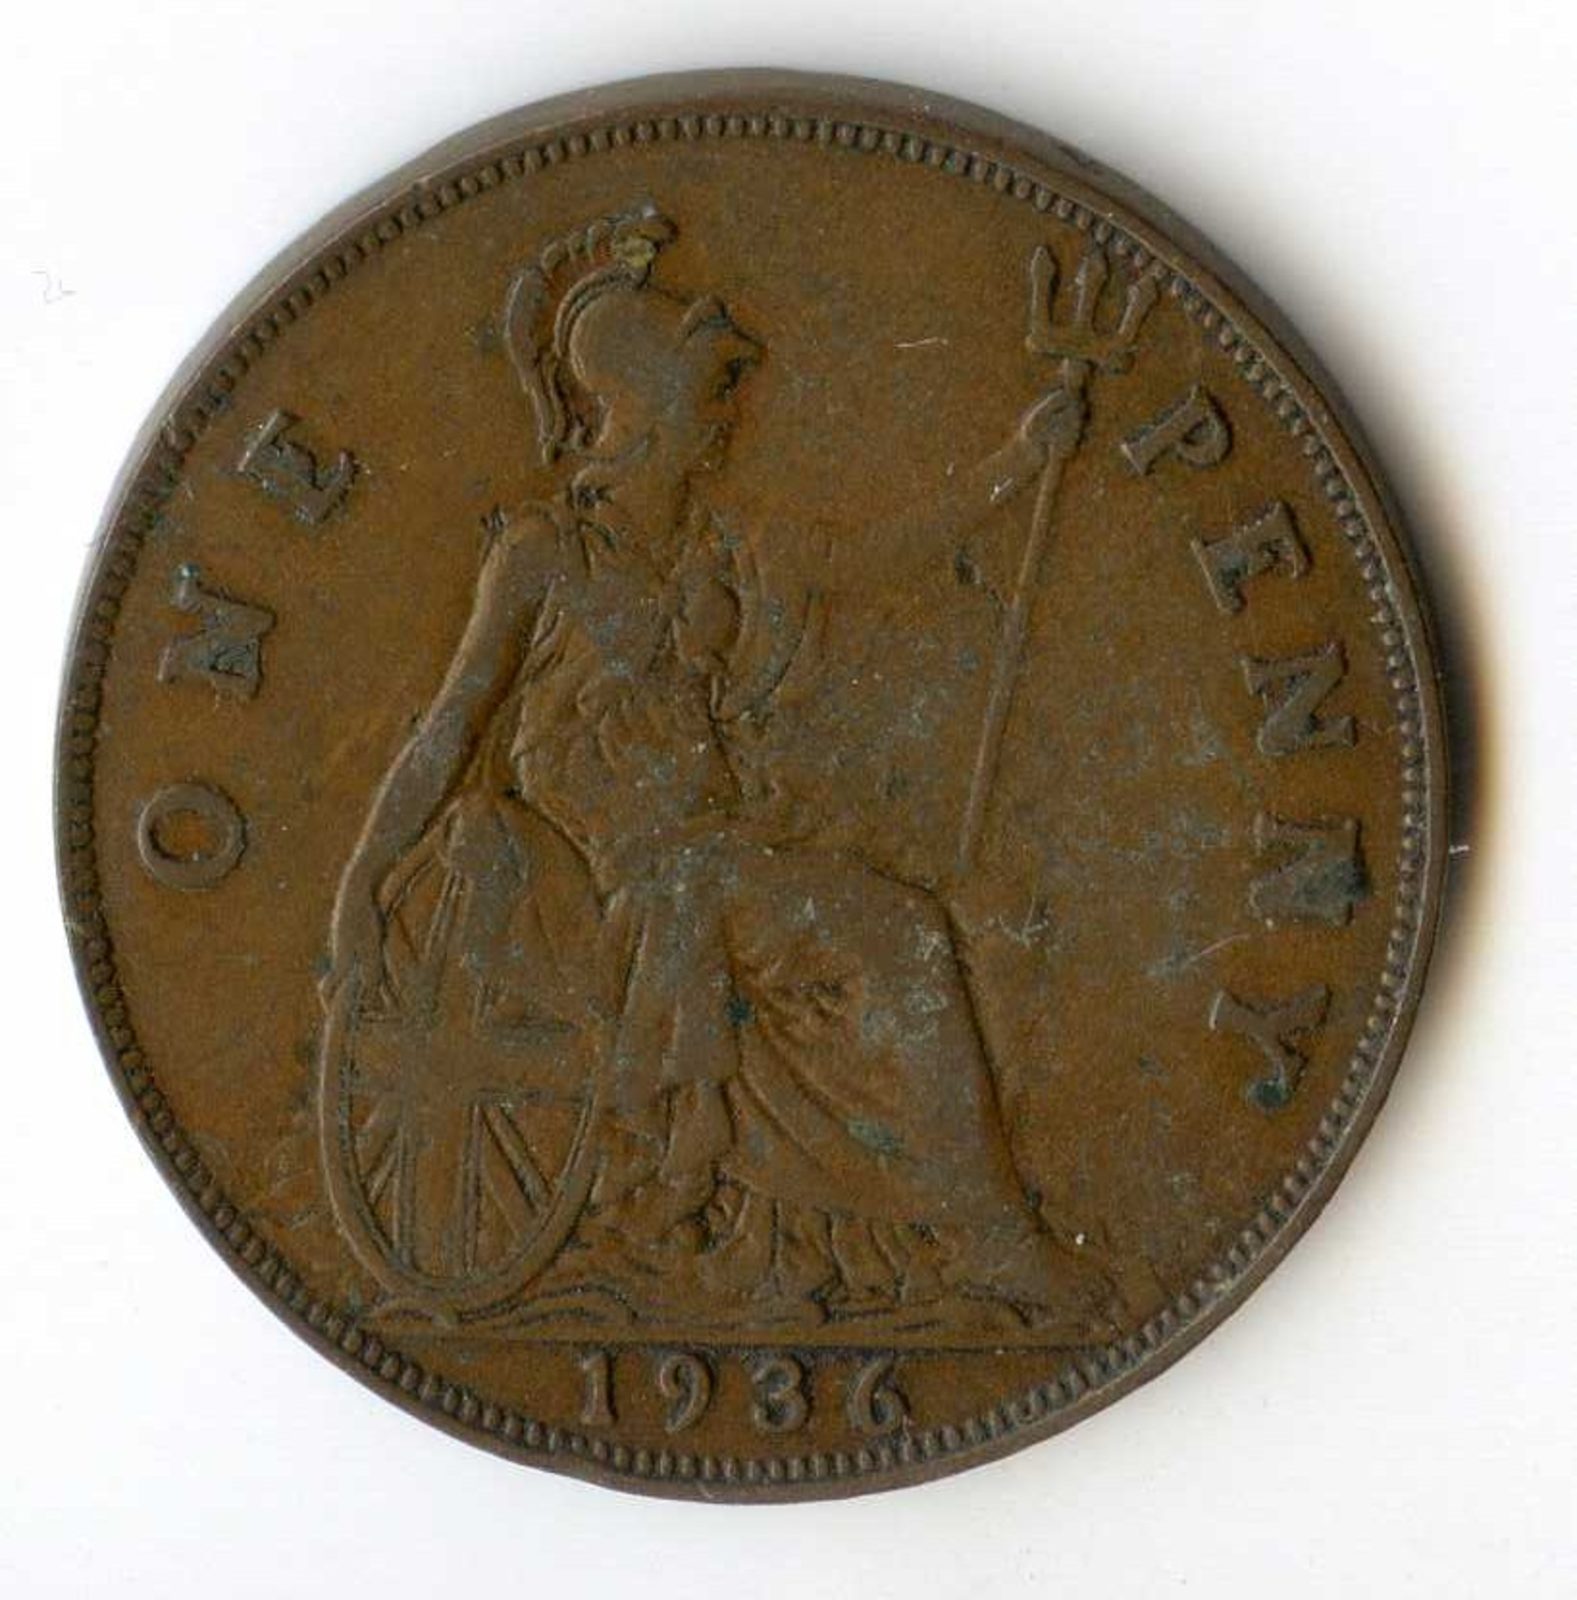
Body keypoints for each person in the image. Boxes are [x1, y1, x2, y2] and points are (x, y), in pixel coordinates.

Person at [322, 203, 1115, 1337]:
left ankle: (868, 1239)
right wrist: (363, 879)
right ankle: (992, 1244)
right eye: (712, 393)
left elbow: (873, 556)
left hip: (709, 864)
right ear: (646, 406)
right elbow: (451, 727)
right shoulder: (545, 554)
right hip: (601, 888)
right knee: (895, 933)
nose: (731, 415)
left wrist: (1018, 461)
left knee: (870, 929)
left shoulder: (723, 545)